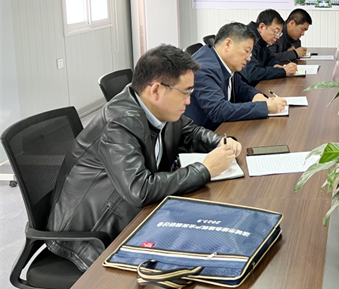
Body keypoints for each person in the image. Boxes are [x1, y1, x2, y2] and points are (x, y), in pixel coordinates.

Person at [46, 45, 242, 272]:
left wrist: (220, 142)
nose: (189, 101)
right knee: (191, 260)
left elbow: (190, 132)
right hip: (93, 234)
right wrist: (205, 169)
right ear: (156, 89)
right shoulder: (119, 123)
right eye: (185, 92)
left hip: (131, 213)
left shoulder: (159, 107)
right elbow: (140, 190)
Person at [186, 22, 288, 129]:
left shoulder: (222, 61)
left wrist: (257, 96)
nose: (249, 58)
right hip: (201, 133)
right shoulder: (204, 68)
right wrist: (265, 107)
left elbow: (240, 86)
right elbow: (218, 111)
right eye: (247, 51)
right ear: (228, 44)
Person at [240, 9, 297, 86]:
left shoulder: (261, 40)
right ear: (262, 27)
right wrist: (282, 71)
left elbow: (269, 58)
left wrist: (276, 65)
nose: (277, 37)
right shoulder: (248, 39)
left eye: (279, 33)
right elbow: (252, 73)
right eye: (276, 31)